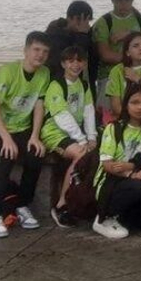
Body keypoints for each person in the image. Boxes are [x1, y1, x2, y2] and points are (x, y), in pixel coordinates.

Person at [0, 32, 52, 238]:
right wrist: (6, 138)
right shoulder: (8, 71)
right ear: (26, 50)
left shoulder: (44, 73)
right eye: (36, 50)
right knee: (6, 154)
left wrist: (35, 136)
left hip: (21, 128)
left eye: (45, 52)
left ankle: (21, 205)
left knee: (36, 155)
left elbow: (39, 106)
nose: (40, 55)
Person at [91, 85, 141, 239]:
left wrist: (132, 166)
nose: (140, 107)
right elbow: (109, 165)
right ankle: (104, 217)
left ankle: (123, 216)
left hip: (136, 176)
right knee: (137, 186)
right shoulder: (114, 128)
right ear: (126, 105)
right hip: (110, 182)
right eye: (134, 102)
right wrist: (130, 174)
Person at [43, 45, 98, 228]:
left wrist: (92, 138)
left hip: (76, 134)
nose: (75, 64)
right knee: (81, 155)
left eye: (79, 60)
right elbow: (61, 116)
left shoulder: (83, 85)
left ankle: (82, 201)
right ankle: (61, 204)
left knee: (94, 154)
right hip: (54, 133)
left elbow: (89, 111)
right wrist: (82, 140)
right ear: (63, 63)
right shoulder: (56, 85)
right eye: (70, 61)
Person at [93, 0, 141, 91]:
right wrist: (137, 57)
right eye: (119, 0)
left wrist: (131, 34)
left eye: (127, 0)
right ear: (112, 0)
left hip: (140, 76)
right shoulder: (104, 22)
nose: (123, 5)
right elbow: (105, 55)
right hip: (109, 78)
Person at [105, 32, 141, 122]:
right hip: (126, 120)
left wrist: (138, 79)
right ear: (127, 52)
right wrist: (135, 121)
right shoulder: (117, 71)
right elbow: (116, 107)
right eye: (136, 46)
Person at [44, 0, 97, 81]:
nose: (84, 24)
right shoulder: (55, 34)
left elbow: (92, 61)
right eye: (78, 19)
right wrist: (82, 35)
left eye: (87, 21)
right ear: (69, 18)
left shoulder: (85, 33)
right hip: (58, 82)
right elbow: (72, 59)